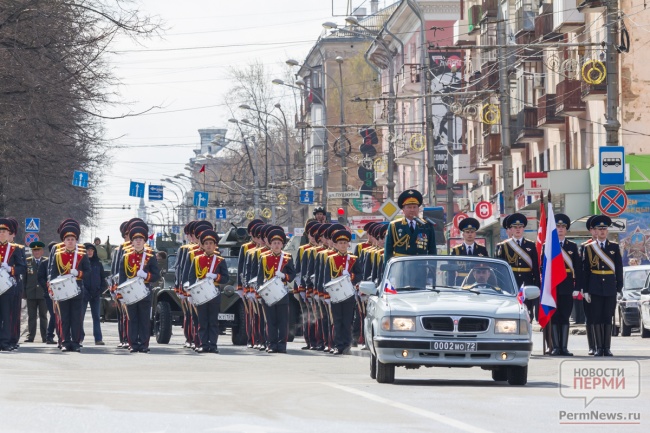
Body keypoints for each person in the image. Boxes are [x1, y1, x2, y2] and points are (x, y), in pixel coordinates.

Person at [582, 215, 623, 356]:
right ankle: (599, 348)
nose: (602, 232)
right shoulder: (589, 248)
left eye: (604, 229)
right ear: (595, 231)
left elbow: (619, 268)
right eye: (599, 229)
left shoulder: (614, 247)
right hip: (595, 286)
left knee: (607, 317)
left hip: (610, 287)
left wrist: (619, 289)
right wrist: (585, 290)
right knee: (597, 317)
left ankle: (607, 347)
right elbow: (585, 271)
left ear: (607, 231)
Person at [48, 223, 91, 352]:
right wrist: (52, 287)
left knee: (76, 317)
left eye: (72, 239)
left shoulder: (82, 254)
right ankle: (65, 341)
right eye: (68, 240)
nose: (70, 242)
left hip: (77, 289)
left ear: (76, 240)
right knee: (64, 317)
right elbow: (53, 273)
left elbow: (88, 272)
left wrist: (78, 273)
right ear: (64, 241)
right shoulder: (58, 255)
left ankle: (76, 342)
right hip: (62, 290)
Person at [118, 225, 160, 353]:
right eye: (135, 239)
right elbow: (122, 276)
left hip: (145, 292)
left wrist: (147, 276)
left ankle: (143, 344)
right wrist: (121, 294)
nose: (138, 241)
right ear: (131, 241)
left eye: (140, 239)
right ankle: (133, 344)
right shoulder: (126, 256)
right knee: (132, 319)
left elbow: (156, 275)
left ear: (144, 241)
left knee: (144, 319)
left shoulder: (150, 256)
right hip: (130, 292)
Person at [322, 229, 362, 355]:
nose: (343, 245)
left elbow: (360, 275)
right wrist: (327, 294)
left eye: (345, 243)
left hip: (349, 294)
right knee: (337, 320)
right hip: (335, 294)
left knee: (348, 321)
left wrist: (352, 277)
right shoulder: (330, 259)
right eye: (340, 243)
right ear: (335, 245)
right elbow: (327, 277)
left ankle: (347, 344)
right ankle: (338, 345)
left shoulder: (354, 259)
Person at [188, 229, 229, 353]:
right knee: (202, 321)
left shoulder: (220, 260)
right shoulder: (197, 259)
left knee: (213, 321)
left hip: (214, 293)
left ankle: (213, 345)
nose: (209, 245)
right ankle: (203, 344)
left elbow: (225, 278)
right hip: (201, 294)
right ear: (202, 245)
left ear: (215, 245)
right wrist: (191, 293)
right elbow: (191, 278)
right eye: (206, 243)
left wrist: (216, 277)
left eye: (211, 243)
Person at [548, 214, 582, 356]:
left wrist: (577, 288)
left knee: (565, 316)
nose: (560, 229)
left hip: (567, 287)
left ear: (566, 230)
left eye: (563, 227)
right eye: (557, 226)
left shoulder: (572, 247)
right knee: (554, 317)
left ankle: (564, 347)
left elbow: (578, 269)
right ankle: (556, 347)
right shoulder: (548, 245)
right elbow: (543, 268)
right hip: (552, 287)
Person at [256, 228, 295, 353]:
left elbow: (292, 274)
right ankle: (271, 344)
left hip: (282, 292)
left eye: (279, 243)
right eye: (274, 243)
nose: (277, 245)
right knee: (270, 320)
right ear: (270, 245)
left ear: (282, 245)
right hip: (268, 292)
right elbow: (260, 276)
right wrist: (259, 291)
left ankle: (282, 345)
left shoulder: (287, 257)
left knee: (282, 321)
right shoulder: (264, 257)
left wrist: (284, 276)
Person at [495, 213, 540, 322]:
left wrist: (538, 285)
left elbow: (535, 268)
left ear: (524, 228)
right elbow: (498, 269)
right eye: (515, 227)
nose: (518, 229)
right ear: (510, 229)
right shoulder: (503, 246)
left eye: (520, 227)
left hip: (527, 282)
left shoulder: (531, 245)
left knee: (527, 313)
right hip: (510, 282)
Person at [384, 189, 436, 262]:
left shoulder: (426, 226)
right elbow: (388, 252)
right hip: (401, 266)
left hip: (420, 266)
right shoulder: (395, 226)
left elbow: (432, 250)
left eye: (414, 207)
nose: (412, 210)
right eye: (409, 207)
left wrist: (432, 271)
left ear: (418, 209)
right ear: (403, 210)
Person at [0, 218, 27, 351]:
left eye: (4, 231)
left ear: (9, 233)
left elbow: (23, 267)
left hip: (8, 287)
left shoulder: (15, 249)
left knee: (6, 315)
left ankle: (5, 341)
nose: (1, 233)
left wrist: (10, 269)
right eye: (0, 231)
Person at [450, 217, 489, 286]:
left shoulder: (482, 250)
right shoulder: (456, 250)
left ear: (475, 234)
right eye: (467, 232)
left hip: (477, 282)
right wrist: (451, 285)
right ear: (463, 234)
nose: (470, 234)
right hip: (461, 282)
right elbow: (451, 270)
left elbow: (487, 267)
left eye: (472, 232)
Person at [23, 242, 48, 343]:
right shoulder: (27, 262)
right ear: (32, 252)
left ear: (42, 251)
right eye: (34, 250)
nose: (36, 252)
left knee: (43, 315)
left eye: (38, 250)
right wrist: (24, 292)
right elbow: (24, 279)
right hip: (31, 293)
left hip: (43, 293)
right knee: (31, 316)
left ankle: (45, 336)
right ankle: (30, 336)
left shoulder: (46, 262)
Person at [82, 243, 107, 345]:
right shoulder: (81, 263)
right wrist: (84, 291)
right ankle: (79, 337)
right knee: (80, 316)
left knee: (96, 317)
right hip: (84, 293)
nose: (90, 252)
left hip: (96, 294)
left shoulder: (98, 264)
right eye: (87, 250)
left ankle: (98, 338)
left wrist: (100, 290)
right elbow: (78, 279)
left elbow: (103, 279)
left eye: (92, 250)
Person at [37, 242, 58, 344]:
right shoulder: (45, 263)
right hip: (49, 293)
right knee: (54, 315)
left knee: (59, 315)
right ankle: (49, 335)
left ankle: (58, 335)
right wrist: (47, 287)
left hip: (60, 293)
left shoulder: (61, 261)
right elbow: (40, 277)